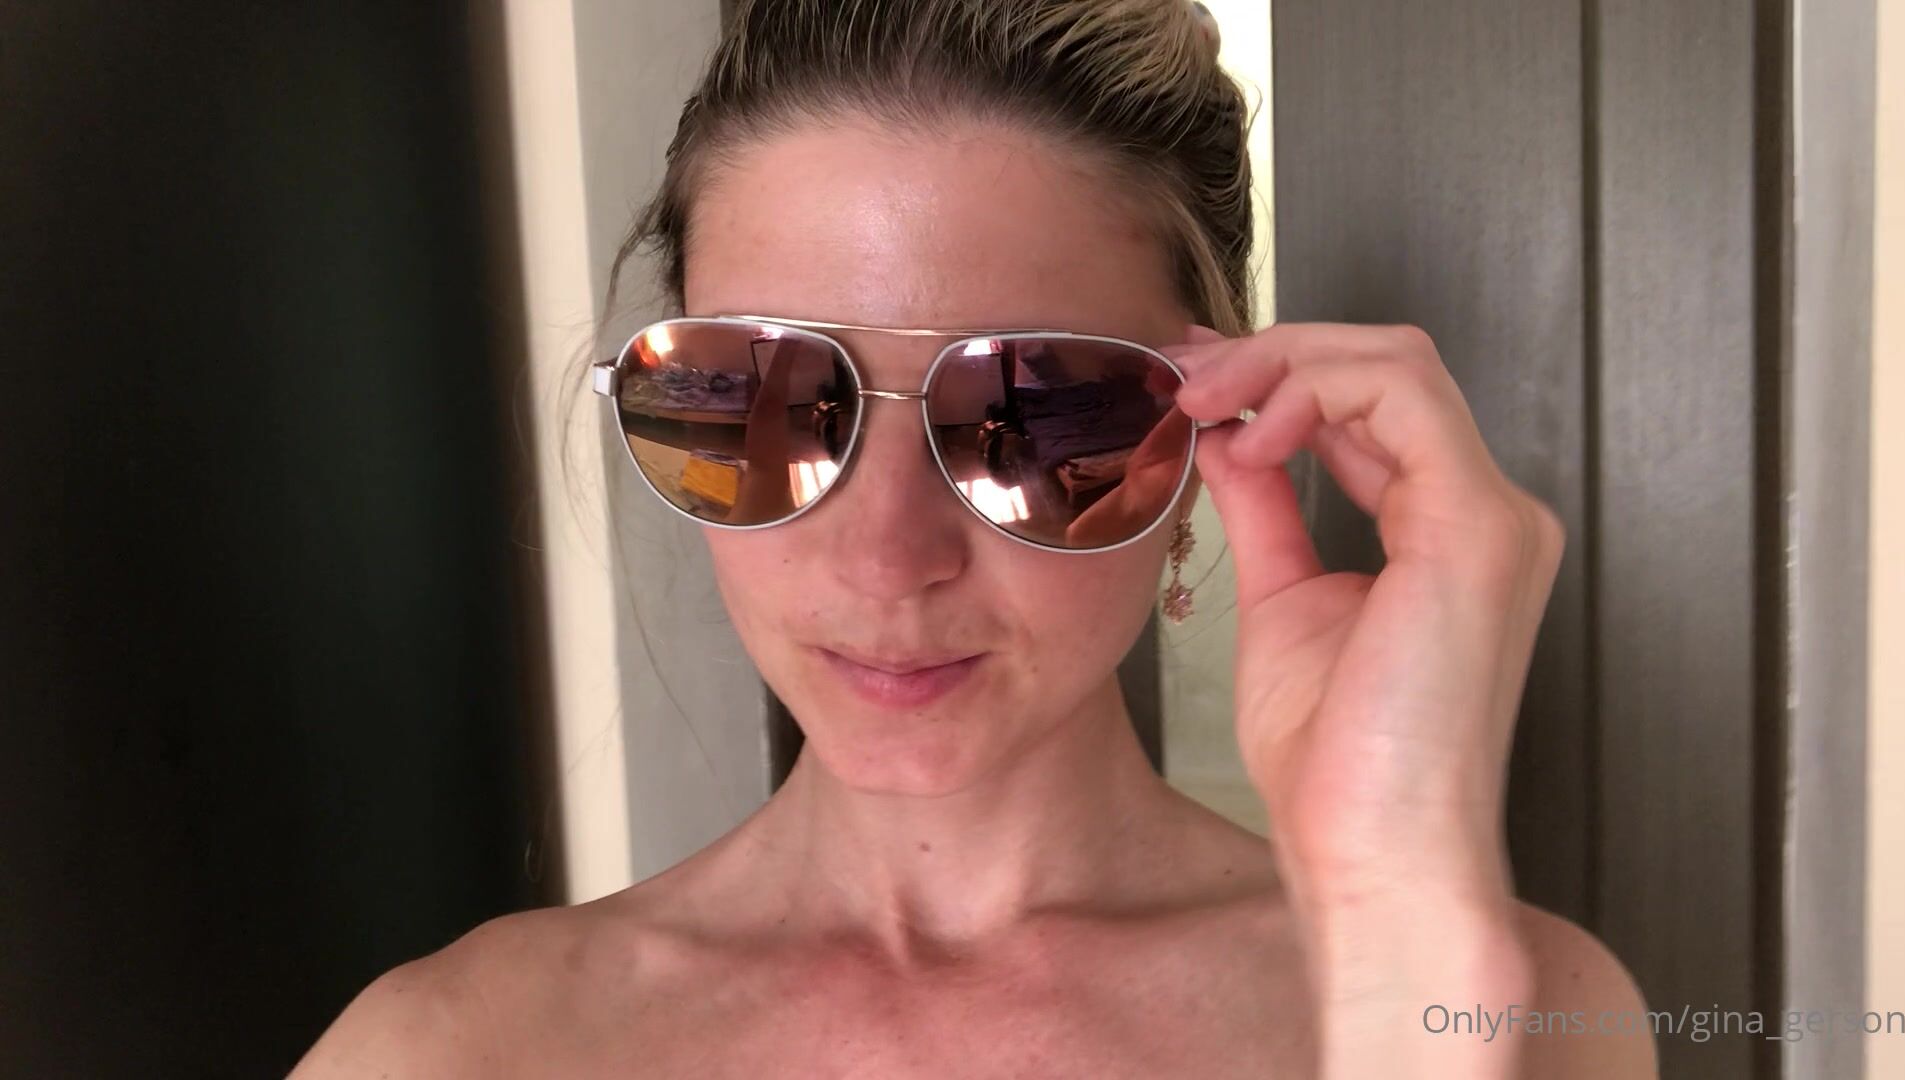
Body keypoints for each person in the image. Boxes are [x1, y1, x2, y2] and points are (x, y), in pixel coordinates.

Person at [293, 1, 1657, 1076]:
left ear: (1212, 429)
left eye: (1042, 416)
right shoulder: (453, 1050)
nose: (888, 558)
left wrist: (1399, 931)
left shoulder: (1527, 1017)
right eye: (757, 403)